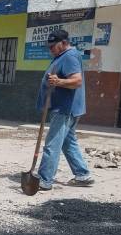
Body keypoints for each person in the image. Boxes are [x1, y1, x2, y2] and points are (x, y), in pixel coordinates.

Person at [35, 30, 94, 191]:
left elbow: (77, 81)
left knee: (52, 144)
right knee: (68, 142)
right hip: (67, 108)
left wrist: (58, 81)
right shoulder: (62, 56)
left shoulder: (69, 56)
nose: (50, 49)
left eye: (53, 46)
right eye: (49, 47)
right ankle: (83, 174)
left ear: (64, 42)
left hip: (65, 109)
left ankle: (44, 180)